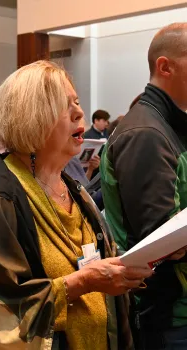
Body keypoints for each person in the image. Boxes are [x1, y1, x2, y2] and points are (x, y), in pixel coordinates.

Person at [0, 61, 152, 349]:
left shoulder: (74, 190)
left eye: (77, 102)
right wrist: (82, 283)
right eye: (64, 105)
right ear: (30, 116)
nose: (80, 112)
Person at [100, 23, 187, 349]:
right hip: (169, 313)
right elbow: (164, 240)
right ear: (165, 66)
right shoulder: (147, 134)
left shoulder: (167, 123)